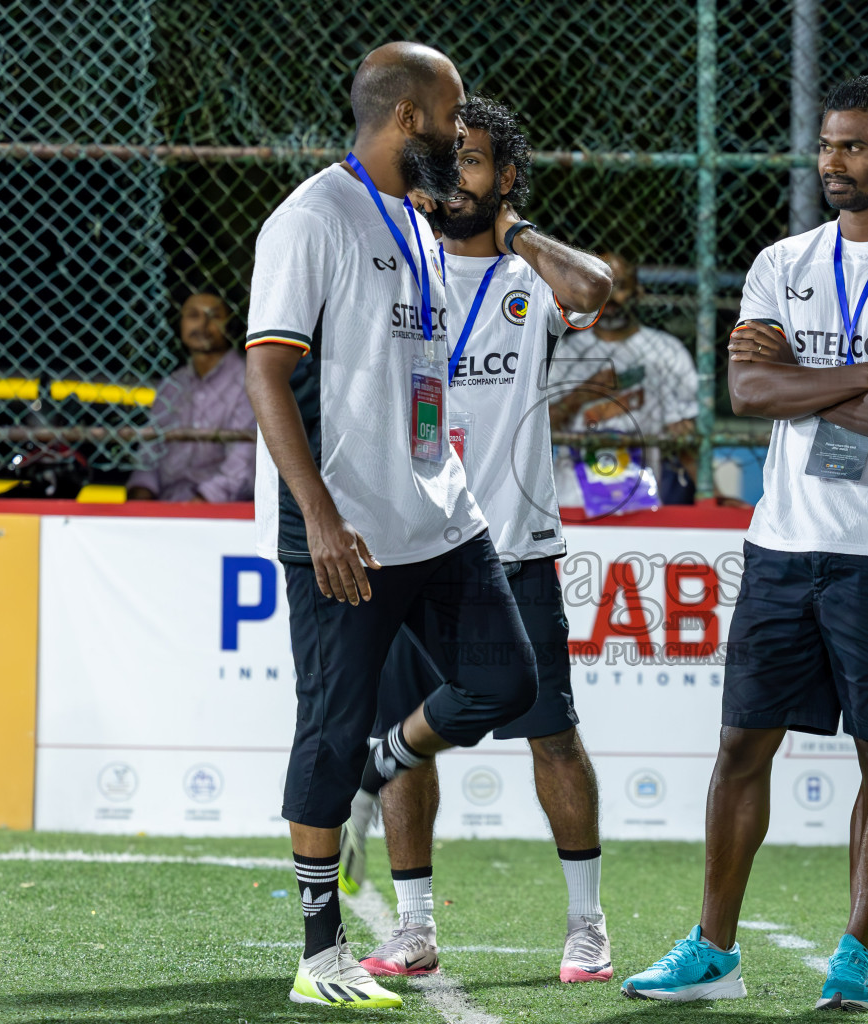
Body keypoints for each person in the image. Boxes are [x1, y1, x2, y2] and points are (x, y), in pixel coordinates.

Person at [622, 75, 868, 1011]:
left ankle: (855, 956)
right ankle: (714, 950)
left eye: (854, 147)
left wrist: (808, 378)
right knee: (742, 743)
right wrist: (863, 368)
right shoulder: (784, 260)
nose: (833, 163)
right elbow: (747, 396)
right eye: (826, 146)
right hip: (781, 542)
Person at [242, 42, 540, 1011]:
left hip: (437, 512)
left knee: (508, 678)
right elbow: (266, 373)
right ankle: (319, 952)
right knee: (327, 730)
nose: (463, 138)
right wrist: (319, 519)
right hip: (349, 532)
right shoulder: (311, 217)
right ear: (408, 117)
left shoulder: (414, 221)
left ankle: (391, 756)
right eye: (453, 119)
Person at [337, 95, 614, 985]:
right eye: (445, 158)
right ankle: (414, 927)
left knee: (553, 735)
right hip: (410, 544)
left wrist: (516, 230)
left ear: (507, 177)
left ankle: (586, 924)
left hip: (513, 545)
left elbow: (595, 292)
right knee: (401, 738)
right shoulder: (398, 266)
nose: (456, 177)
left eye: (475, 162)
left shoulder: (532, 278)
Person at [548, 252, 699, 506]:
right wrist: (581, 395)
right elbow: (538, 427)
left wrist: (712, 493)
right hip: (574, 499)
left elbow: (685, 439)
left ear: (637, 292)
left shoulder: (667, 351)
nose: (610, 299)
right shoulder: (566, 352)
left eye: (617, 287)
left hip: (643, 498)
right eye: (599, 288)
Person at [126, 293, 255, 502]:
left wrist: (196, 507)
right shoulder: (171, 385)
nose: (202, 325)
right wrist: (141, 497)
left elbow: (243, 462)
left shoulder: (247, 380)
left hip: (222, 509)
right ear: (180, 324)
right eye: (193, 315)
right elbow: (149, 452)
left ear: (229, 325)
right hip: (166, 503)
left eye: (213, 316)